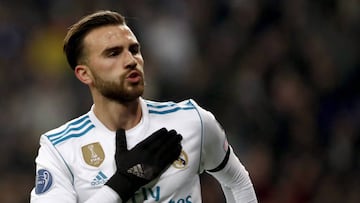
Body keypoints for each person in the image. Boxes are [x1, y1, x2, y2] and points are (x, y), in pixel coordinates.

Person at [30, 10, 258, 203]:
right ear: (84, 74)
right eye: (113, 53)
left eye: (134, 49)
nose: (131, 60)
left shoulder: (192, 120)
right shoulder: (59, 148)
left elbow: (237, 180)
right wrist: (122, 184)